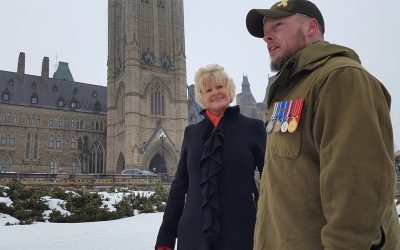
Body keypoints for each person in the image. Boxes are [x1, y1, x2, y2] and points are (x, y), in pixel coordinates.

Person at [245, 0, 400, 249]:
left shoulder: (340, 78)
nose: (267, 37)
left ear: (311, 27)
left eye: (278, 25)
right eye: (265, 32)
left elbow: (357, 195)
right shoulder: (291, 89)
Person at [155, 64, 266, 250]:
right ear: (201, 98)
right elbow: (179, 187)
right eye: (208, 89)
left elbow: (271, 182)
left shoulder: (253, 128)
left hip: (241, 233)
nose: (215, 92)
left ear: (229, 91)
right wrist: (166, 237)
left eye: (220, 87)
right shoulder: (191, 133)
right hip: (193, 235)